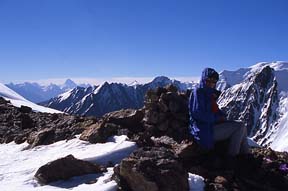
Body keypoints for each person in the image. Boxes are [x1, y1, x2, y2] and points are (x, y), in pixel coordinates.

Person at [189, 68, 249, 156]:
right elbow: (198, 114)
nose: (211, 83)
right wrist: (217, 118)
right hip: (203, 131)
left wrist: (221, 116)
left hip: (208, 128)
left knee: (242, 125)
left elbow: (213, 110)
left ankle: (246, 156)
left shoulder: (208, 94)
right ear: (203, 79)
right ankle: (232, 158)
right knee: (239, 127)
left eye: (213, 82)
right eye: (208, 80)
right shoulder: (198, 92)